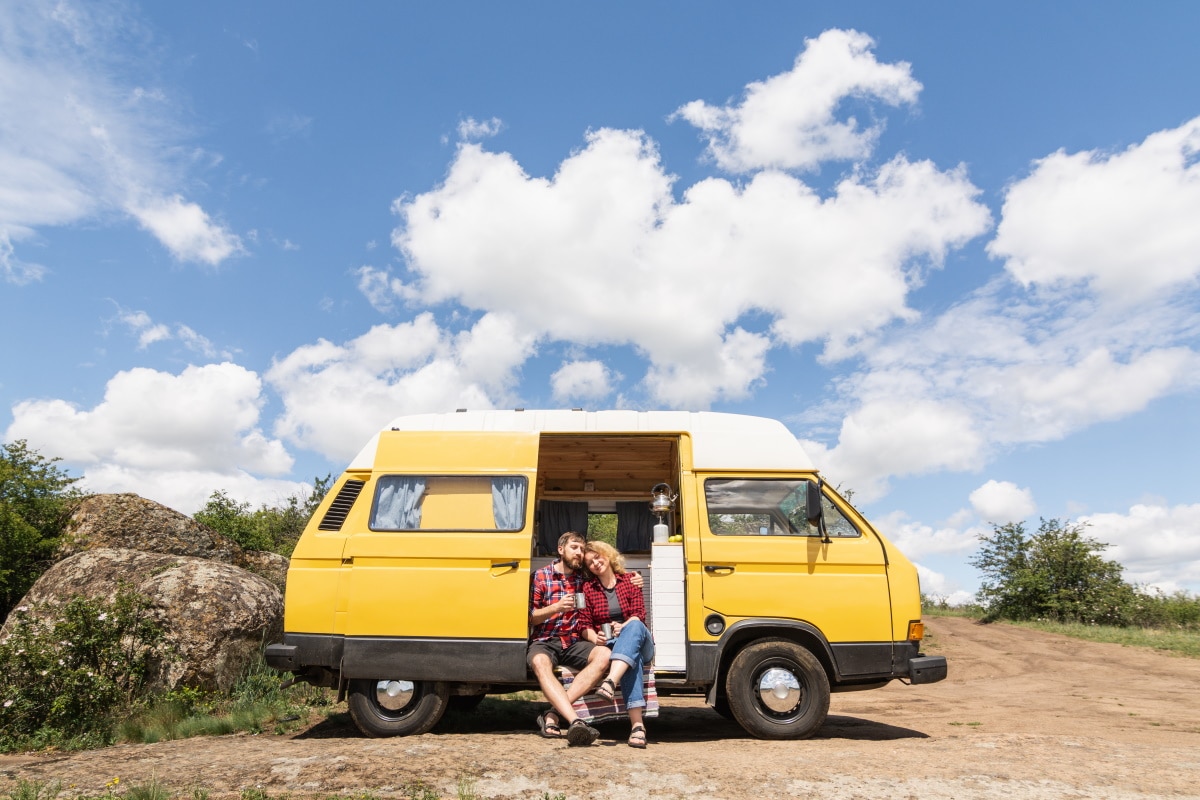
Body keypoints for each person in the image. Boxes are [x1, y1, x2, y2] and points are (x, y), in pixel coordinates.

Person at [527, 531, 610, 746]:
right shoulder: (541, 576)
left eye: (582, 549)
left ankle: (553, 714)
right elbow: (530, 618)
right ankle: (575, 721)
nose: (580, 553)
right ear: (561, 549)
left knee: (604, 654)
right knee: (538, 662)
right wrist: (556, 607)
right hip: (544, 640)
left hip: (574, 641)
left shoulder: (584, 579)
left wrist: (634, 578)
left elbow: (612, 578)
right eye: (575, 547)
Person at [579, 540, 655, 748]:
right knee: (633, 657)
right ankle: (638, 727)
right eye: (590, 562)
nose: (595, 563)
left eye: (597, 557)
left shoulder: (630, 580)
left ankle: (610, 681)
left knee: (635, 627)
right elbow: (584, 623)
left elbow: (639, 615)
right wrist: (596, 638)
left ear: (608, 555)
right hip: (615, 644)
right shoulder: (588, 589)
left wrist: (625, 626)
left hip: (640, 637)